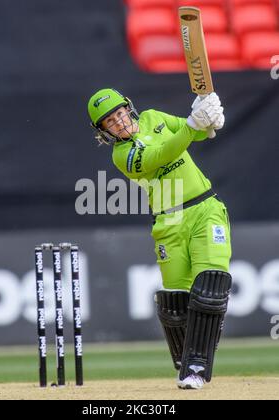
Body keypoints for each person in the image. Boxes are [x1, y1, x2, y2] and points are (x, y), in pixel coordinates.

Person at [87, 89, 232, 390]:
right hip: (169, 221)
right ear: (104, 132)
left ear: (129, 108)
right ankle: (185, 358)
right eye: (111, 122)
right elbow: (162, 154)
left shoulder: (154, 117)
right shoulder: (122, 156)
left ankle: (197, 365)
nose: (119, 122)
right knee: (175, 301)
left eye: (119, 114)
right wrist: (193, 125)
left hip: (204, 208)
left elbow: (193, 134)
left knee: (210, 284)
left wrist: (209, 122)